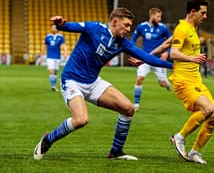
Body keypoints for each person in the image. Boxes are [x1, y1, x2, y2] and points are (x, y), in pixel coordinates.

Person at [33, 8, 173, 161]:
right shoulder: (94, 28)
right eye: (126, 25)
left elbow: (147, 57)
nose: (128, 29)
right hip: (72, 80)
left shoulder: (122, 43)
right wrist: (61, 25)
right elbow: (70, 26)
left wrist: (173, 66)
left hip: (93, 82)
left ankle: (116, 151)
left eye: (130, 26)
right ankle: (48, 139)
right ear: (114, 22)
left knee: (128, 108)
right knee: (81, 120)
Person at [168, 0, 214, 164]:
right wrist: (192, 59)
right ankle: (179, 137)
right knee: (207, 109)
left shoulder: (193, 28)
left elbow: (167, 44)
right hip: (183, 80)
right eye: (202, 13)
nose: (205, 16)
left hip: (196, 81)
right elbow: (173, 53)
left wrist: (146, 56)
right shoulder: (182, 28)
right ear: (192, 12)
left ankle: (195, 152)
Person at [130, 8, 172, 111]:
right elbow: (132, 40)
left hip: (158, 60)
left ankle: (167, 83)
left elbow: (172, 41)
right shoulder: (142, 27)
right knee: (139, 78)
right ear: (152, 16)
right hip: (145, 58)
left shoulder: (163, 28)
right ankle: (136, 104)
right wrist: (133, 52)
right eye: (158, 16)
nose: (160, 19)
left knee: (162, 84)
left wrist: (167, 52)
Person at [40, 24, 68, 91]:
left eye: (55, 28)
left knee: (55, 72)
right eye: (52, 27)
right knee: (51, 71)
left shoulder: (60, 37)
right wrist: (41, 55)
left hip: (57, 57)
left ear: (57, 29)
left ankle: (54, 85)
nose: (53, 29)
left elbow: (64, 45)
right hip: (49, 56)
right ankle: (53, 86)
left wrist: (65, 52)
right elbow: (44, 46)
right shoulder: (48, 36)